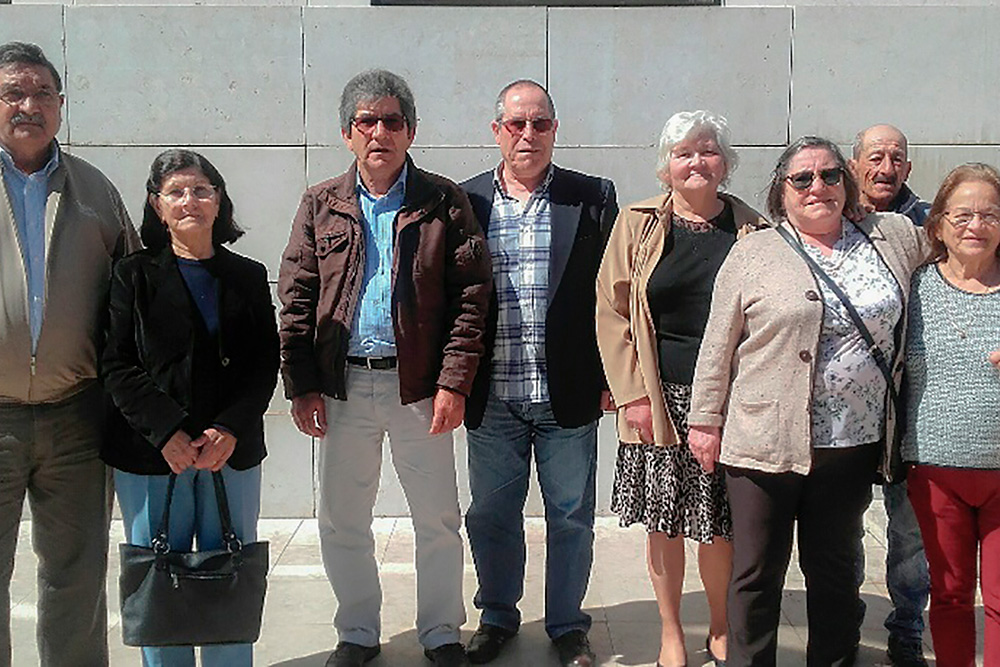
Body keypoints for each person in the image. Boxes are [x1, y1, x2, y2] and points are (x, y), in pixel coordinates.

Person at [278, 69, 491, 667]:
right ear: (347, 133)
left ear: (411, 131)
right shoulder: (320, 203)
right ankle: (358, 633)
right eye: (366, 121)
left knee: (438, 519)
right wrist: (302, 385)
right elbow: (296, 296)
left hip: (417, 386)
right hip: (343, 384)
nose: (380, 132)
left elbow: (471, 297)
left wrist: (453, 383)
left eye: (392, 121)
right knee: (342, 518)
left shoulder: (443, 201)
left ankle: (441, 633)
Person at [687, 136, 928, 666]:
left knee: (836, 572)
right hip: (763, 443)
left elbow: (964, 250)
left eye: (830, 175)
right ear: (782, 191)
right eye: (802, 178)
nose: (818, 187)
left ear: (847, 182)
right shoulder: (753, 252)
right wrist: (704, 420)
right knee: (756, 573)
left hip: (852, 442)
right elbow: (717, 344)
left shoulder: (890, 236)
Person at [596, 110, 767, 667]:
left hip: (729, 402)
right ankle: (671, 632)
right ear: (666, 165)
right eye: (684, 153)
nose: (697, 162)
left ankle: (719, 625)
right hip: (658, 398)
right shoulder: (637, 223)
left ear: (726, 163)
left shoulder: (754, 230)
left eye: (708, 151)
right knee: (663, 521)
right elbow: (612, 311)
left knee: (718, 523)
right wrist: (632, 395)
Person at [460, 79, 617, 667]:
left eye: (540, 124)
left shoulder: (592, 196)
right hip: (493, 394)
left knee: (571, 517)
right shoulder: (465, 201)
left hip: (566, 394)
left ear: (555, 130)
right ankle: (497, 616)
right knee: (492, 516)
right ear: (496, 130)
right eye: (516, 124)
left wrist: (612, 376)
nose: (528, 134)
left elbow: (614, 294)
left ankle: (568, 625)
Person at [101, 149, 279, 667]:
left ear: (219, 201)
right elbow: (116, 363)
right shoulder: (131, 275)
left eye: (201, 190)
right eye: (176, 192)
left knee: (231, 566)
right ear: (157, 206)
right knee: (161, 574)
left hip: (231, 451)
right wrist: (167, 432)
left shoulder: (247, 275)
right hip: (155, 454)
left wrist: (229, 427)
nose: (190, 201)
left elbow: (264, 361)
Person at [0, 41, 138, 667]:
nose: (28, 106)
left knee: (76, 579)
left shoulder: (94, 190)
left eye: (42, 94)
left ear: (60, 105)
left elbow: (132, 295)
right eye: (13, 93)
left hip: (76, 416)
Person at [903, 162, 1000, 667]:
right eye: (962, 215)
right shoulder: (913, 289)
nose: (975, 226)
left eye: (990, 215)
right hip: (936, 471)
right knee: (950, 595)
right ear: (938, 224)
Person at [850, 123, 931, 667]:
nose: (886, 168)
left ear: (908, 168)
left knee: (909, 528)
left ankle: (906, 627)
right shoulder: (834, 216)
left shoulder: (930, 224)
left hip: (912, 402)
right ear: (855, 163)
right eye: (875, 157)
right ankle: (845, 620)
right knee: (844, 523)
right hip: (850, 404)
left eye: (896, 158)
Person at [851, 124, 930, 226]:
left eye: (897, 160)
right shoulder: (837, 219)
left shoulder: (930, 221)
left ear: (907, 170)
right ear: (853, 169)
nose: (887, 170)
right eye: (876, 159)